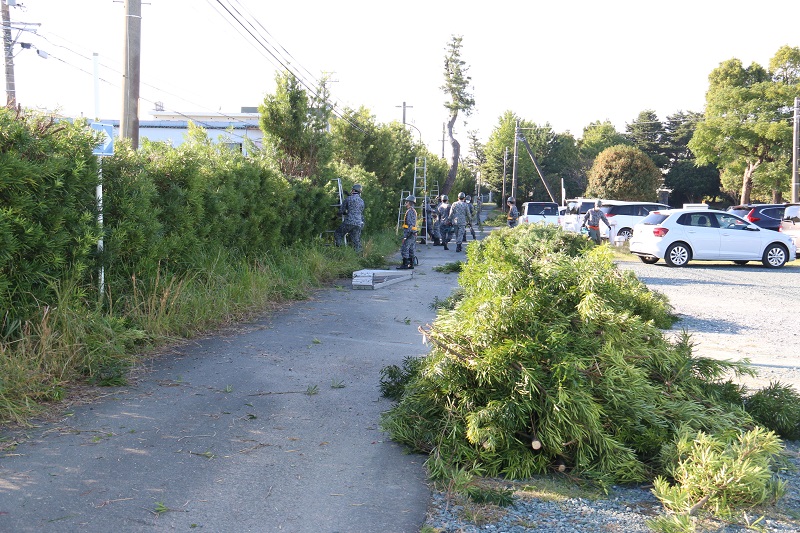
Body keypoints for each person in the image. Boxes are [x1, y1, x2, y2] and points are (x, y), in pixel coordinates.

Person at [334, 183, 365, 251]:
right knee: (356, 241)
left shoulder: (348, 199)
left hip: (349, 222)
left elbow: (341, 211)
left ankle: (340, 250)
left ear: (353, 190)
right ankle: (360, 257)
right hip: (359, 223)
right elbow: (358, 212)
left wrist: (335, 217)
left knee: (338, 234)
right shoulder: (362, 201)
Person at [397, 194, 418, 269]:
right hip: (413, 233)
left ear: (409, 202)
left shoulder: (409, 211)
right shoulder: (414, 211)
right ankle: (411, 264)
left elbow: (410, 225)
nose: (405, 203)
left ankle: (405, 264)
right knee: (411, 249)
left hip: (410, 233)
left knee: (404, 249)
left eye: (406, 202)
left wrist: (405, 236)